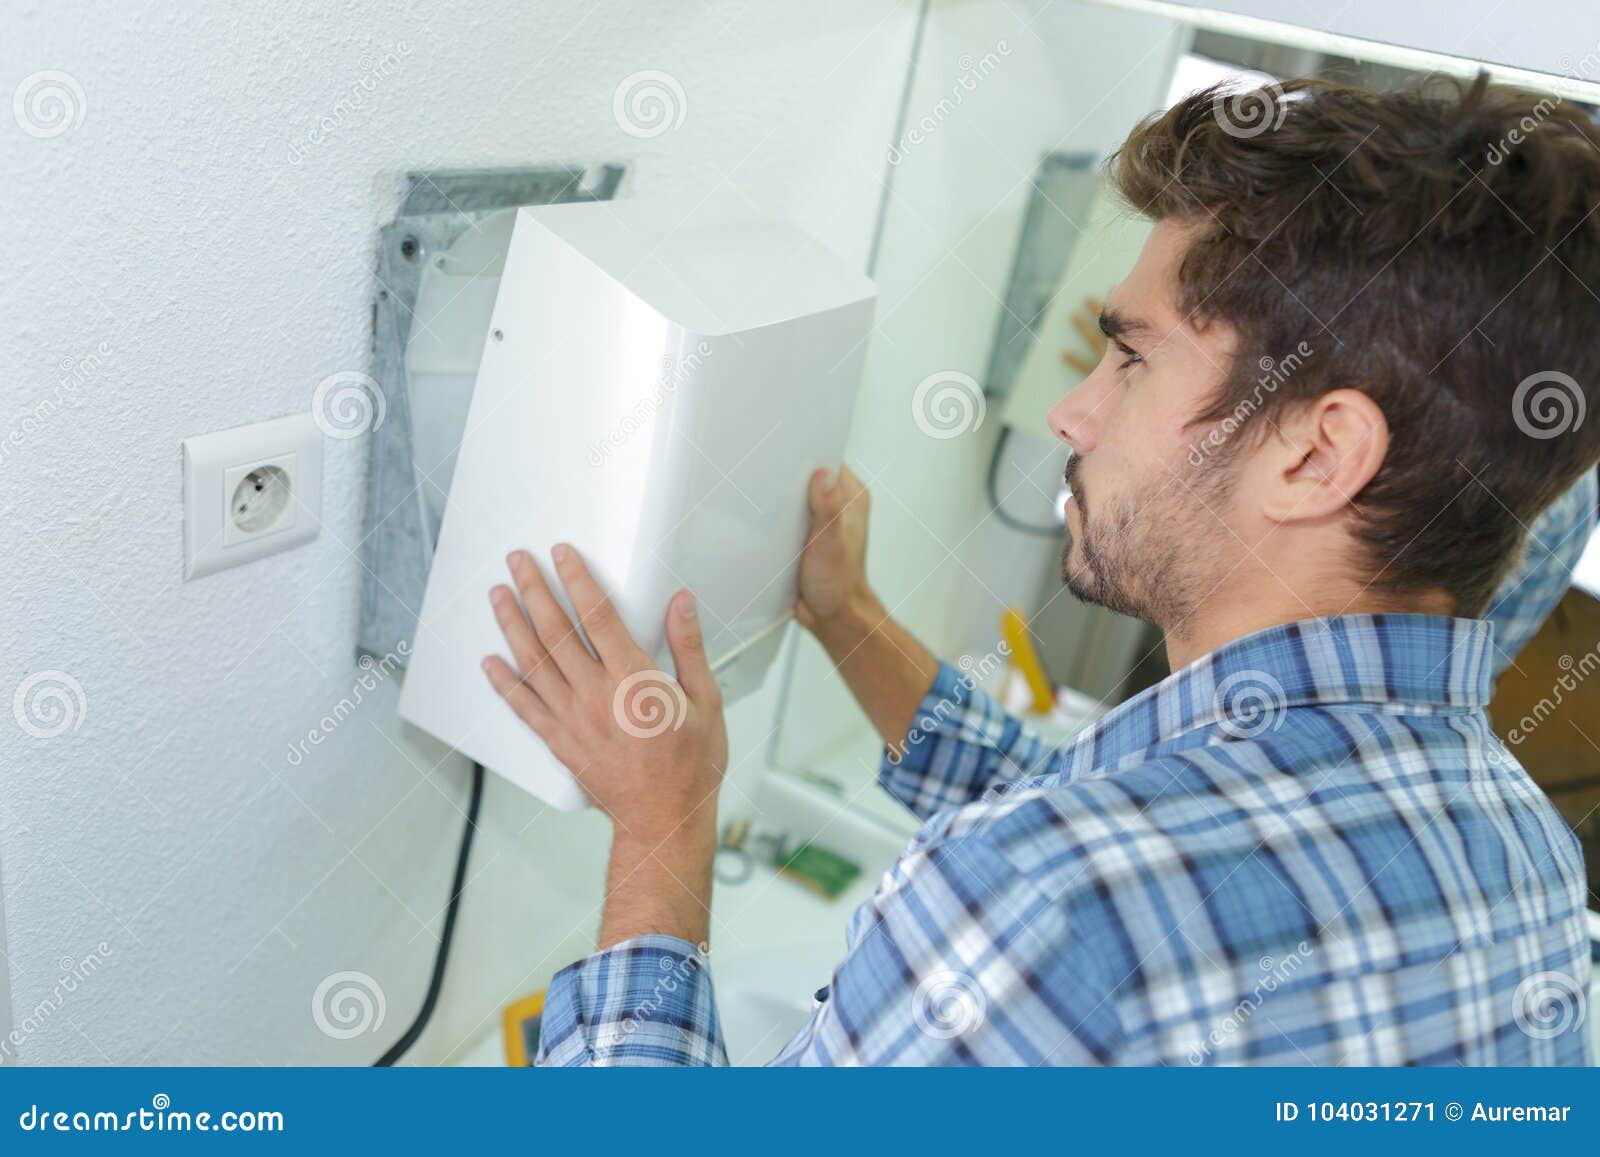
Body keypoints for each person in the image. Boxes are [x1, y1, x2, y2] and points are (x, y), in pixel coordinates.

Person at [482, 76, 1600, 1065]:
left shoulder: (1040, 898)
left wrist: (661, 824)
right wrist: (846, 614)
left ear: (1314, 454)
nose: (1073, 411)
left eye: (1128, 358)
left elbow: (1064, 875)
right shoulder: (1525, 852)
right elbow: (1071, 802)